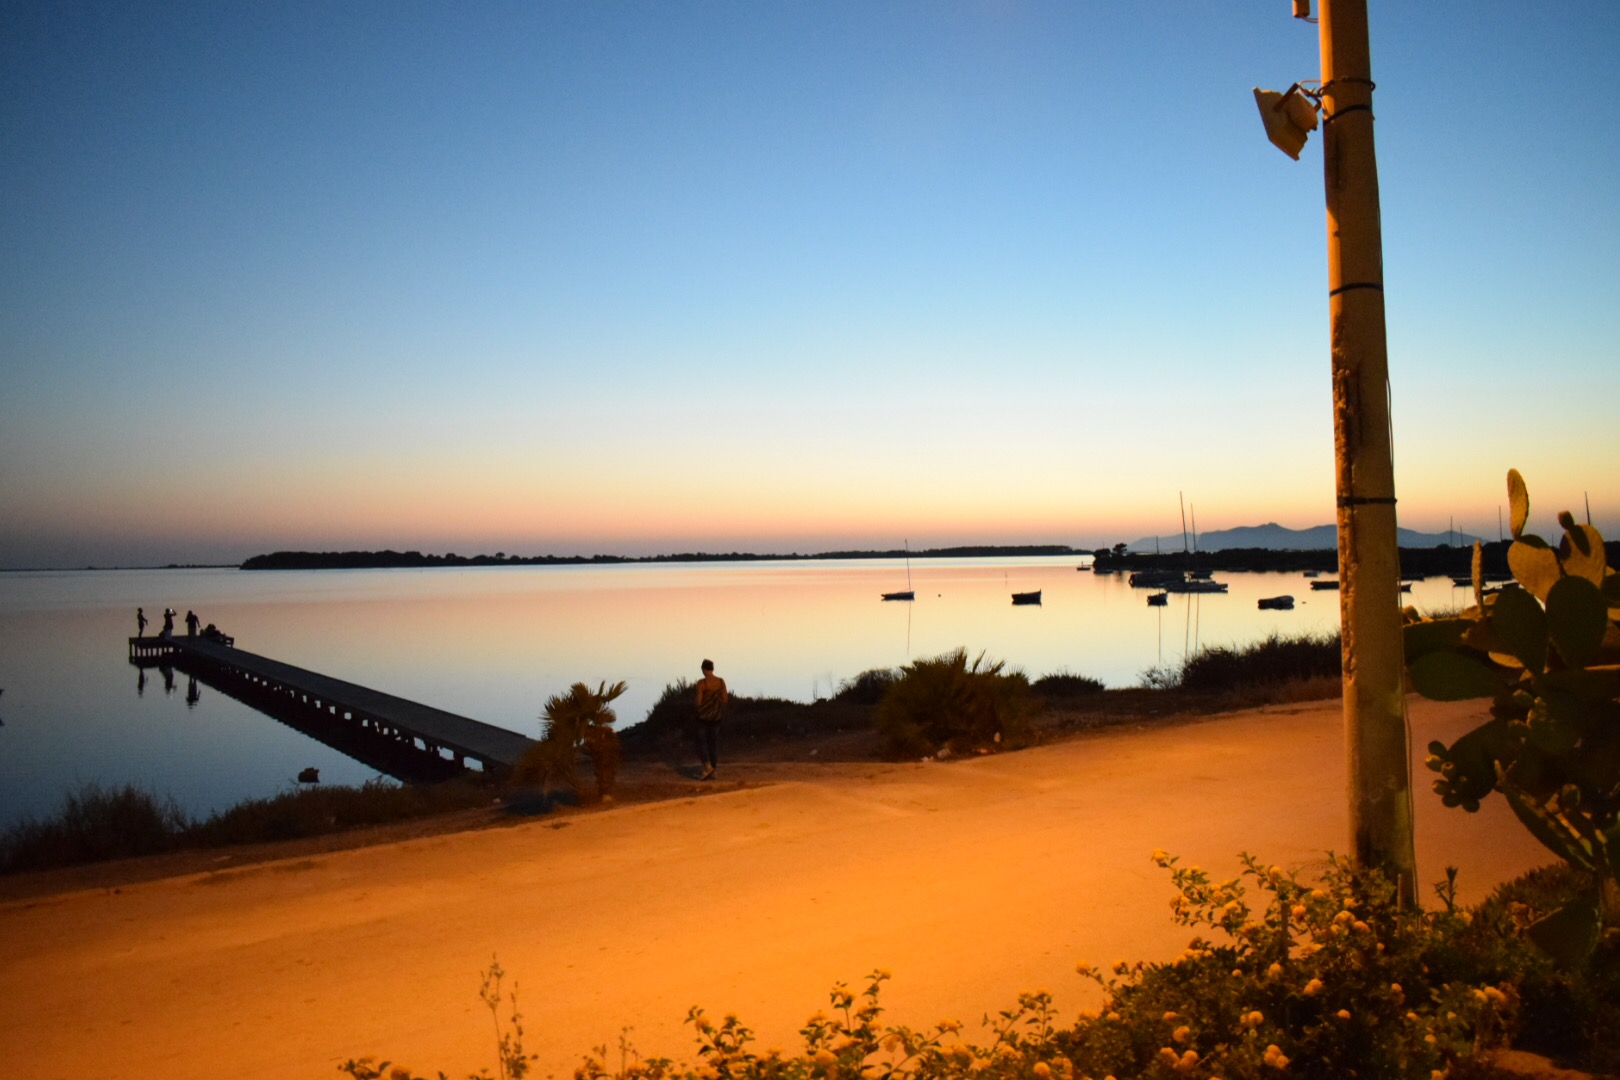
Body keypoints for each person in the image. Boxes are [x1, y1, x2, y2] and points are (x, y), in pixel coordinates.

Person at [693, 658, 728, 780]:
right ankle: (714, 770)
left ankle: (707, 767)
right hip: (717, 717)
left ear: (703, 669)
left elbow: (698, 701)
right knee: (713, 743)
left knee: (700, 741)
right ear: (712, 669)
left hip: (703, 717)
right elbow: (725, 699)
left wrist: (696, 708)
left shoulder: (702, 683)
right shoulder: (721, 682)